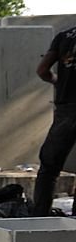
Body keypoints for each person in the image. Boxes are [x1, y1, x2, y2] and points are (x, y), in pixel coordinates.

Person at [33, 26, 76, 216]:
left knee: (49, 168)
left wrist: (59, 81)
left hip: (66, 108)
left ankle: (39, 217)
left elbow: (42, 70)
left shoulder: (65, 36)